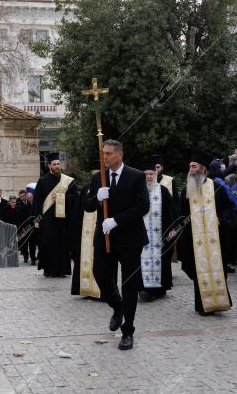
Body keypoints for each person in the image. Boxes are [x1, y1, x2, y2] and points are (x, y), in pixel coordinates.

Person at [82, 140, 149, 350]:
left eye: (109, 154)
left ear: (119, 154)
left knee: (129, 286)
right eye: (103, 154)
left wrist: (117, 220)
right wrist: (96, 198)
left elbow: (142, 206)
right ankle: (117, 306)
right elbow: (86, 206)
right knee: (100, 274)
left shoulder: (136, 176)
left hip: (129, 239)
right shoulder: (97, 178)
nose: (105, 158)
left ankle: (127, 331)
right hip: (105, 238)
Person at [176, 152, 235, 316]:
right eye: (190, 167)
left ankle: (220, 303)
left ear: (203, 170)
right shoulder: (187, 190)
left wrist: (221, 219)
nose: (191, 170)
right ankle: (203, 306)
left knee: (218, 270)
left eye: (194, 167)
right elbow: (181, 216)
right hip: (194, 241)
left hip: (216, 240)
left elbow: (230, 209)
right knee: (198, 272)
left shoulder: (217, 188)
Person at [138, 158, 178, 301]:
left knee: (161, 260)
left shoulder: (163, 191)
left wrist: (173, 228)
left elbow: (172, 212)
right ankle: (144, 289)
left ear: (156, 175)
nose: (149, 177)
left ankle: (159, 289)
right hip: (141, 236)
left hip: (159, 236)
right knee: (140, 261)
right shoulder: (137, 190)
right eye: (146, 174)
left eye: (151, 174)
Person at [33, 152, 77, 278]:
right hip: (47, 220)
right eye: (55, 164)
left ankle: (62, 270)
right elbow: (37, 202)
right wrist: (37, 219)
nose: (57, 166)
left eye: (58, 164)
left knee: (62, 244)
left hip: (63, 220)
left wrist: (62, 197)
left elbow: (75, 198)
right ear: (49, 166)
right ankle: (49, 269)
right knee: (48, 244)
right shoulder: (42, 181)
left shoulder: (67, 181)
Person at [71, 172, 102, 298]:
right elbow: (79, 210)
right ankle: (85, 289)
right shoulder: (86, 188)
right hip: (85, 234)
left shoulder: (107, 187)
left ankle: (102, 290)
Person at [209, 159, 237, 273]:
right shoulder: (221, 184)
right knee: (224, 243)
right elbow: (230, 200)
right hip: (222, 218)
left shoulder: (208, 182)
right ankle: (224, 265)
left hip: (212, 217)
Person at [15, 190, 34, 264]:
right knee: (25, 243)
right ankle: (26, 257)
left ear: (26, 196)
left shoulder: (30, 203)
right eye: (21, 196)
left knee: (32, 243)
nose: (22, 197)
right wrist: (21, 227)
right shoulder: (18, 205)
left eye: (23, 196)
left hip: (31, 226)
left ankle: (33, 258)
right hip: (24, 227)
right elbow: (18, 218)